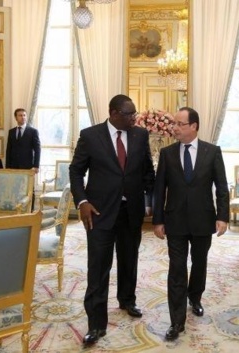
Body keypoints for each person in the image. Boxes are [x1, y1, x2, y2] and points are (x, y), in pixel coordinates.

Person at [68, 94, 155, 346]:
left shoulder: (140, 135)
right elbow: (76, 171)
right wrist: (82, 202)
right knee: (98, 267)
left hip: (132, 212)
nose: (134, 118)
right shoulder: (90, 136)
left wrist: (149, 202)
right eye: (130, 114)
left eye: (135, 114)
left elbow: (147, 170)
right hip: (99, 213)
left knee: (130, 260)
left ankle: (127, 300)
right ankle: (96, 324)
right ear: (114, 113)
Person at [152, 107, 229, 341]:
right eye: (174, 123)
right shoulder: (167, 153)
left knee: (199, 263)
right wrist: (157, 220)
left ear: (194, 126)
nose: (174, 127)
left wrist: (223, 217)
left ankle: (195, 297)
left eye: (179, 123)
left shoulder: (212, 152)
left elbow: (222, 187)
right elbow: (159, 190)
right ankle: (176, 321)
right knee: (176, 269)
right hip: (174, 220)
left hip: (203, 219)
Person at [5, 108, 41, 211]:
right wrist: (8, 168)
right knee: (15, 189)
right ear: (16, 117)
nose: (23, 117)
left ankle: (30, 211)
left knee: (29, 190)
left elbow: (37, 149)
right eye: (20, 115)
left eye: (24, 115)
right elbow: (9, 150)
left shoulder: (33, 131)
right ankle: (17, 210)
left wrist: (36, 165)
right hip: (14, 166)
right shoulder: (11, 132)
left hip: (28, 166)